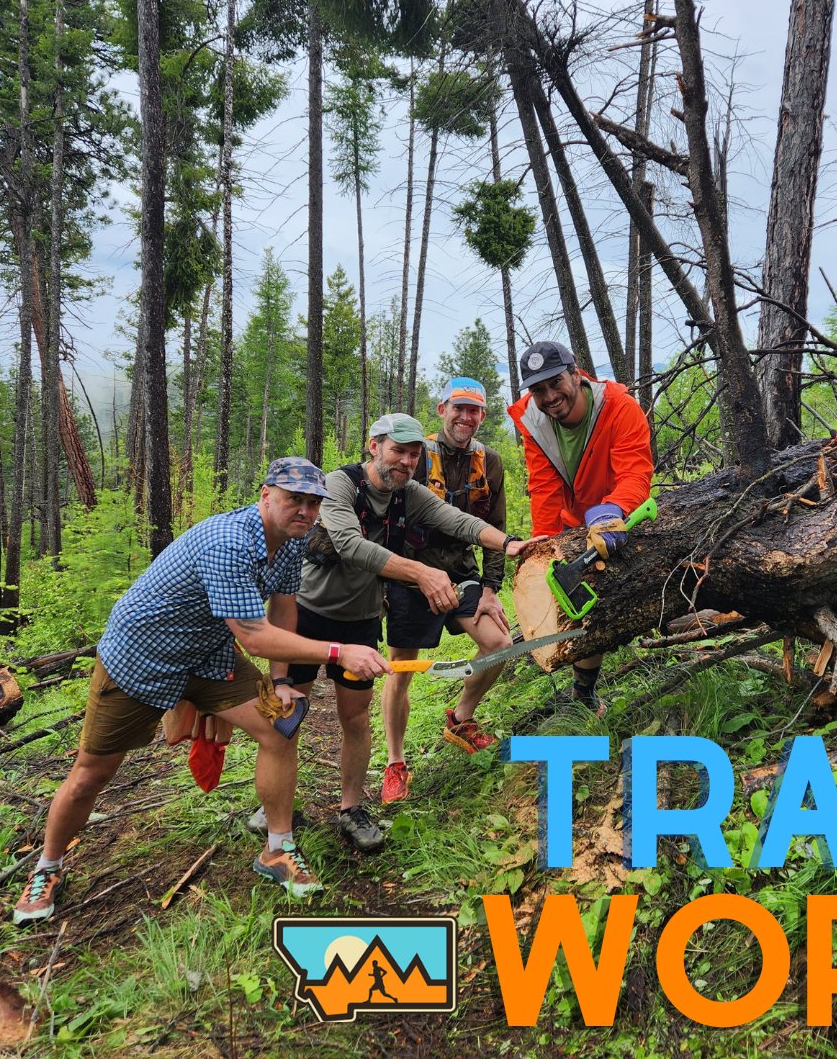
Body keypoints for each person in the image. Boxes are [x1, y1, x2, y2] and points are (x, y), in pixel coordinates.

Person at [13, 458, 392, 925]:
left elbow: (282, 609)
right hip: (142, 655)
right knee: (92, 773)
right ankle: (47, 867)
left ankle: (278, 849)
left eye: (313, 503)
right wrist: (337, 652)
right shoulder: (228, 540)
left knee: (281, 729)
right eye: (294, 499)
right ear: (265, 494)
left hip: (210, 654)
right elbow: (254, 634)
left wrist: (279, 681)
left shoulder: (292, 542)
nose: (305, 511)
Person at [275, 413, 538, 854]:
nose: (406, 461)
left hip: (359, 621)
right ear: (374, 445)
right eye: (398, 450)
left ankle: (351, 808)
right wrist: (421, 572)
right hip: (306, 614)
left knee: (355, 718)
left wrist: (509, 542)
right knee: (290, 712)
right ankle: (278, 804)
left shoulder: (409, 494)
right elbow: (348, 544)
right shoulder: (341, 485)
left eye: (414, 454)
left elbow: (459, 521)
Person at [381, 378, 510, 805]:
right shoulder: (415, 456)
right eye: (458, 408)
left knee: (499, 644)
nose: (465, 417)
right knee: (401, 670)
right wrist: (388, 580)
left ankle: (460, 718)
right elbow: (383, 519)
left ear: (482, 417)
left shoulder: (489, 462)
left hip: (461, 573)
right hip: (409, 575)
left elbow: (497, 528)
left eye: (473, 410)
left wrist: (491, 588)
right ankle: (395, 763)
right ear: (442, 410)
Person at [508, 341, 653, 711]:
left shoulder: (620, 407)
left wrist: (612, 511)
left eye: (556, 382)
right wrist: (544, 547)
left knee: (611, 599)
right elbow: (543, 486)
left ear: (576, 373)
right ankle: (583, 697)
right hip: (574, 524)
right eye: (538, 389)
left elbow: (635, 470)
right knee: (576, 602)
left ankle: (585, 690)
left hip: (614, 515)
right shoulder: (533, 420)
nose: (549, 396)